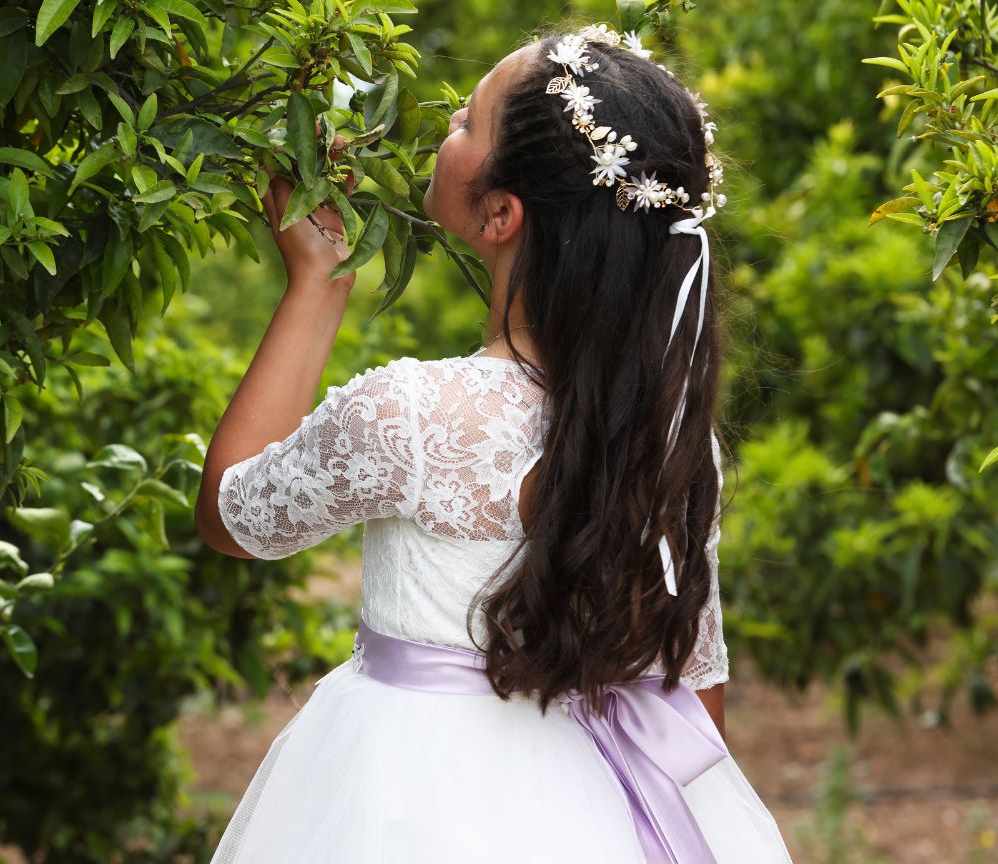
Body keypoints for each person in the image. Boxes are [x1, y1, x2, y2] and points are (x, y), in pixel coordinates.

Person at [195, 20, 795, 864]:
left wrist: (317, 285)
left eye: (465, 124)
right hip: (610, 815)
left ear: (501, 214)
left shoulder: (413, 415)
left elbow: (231, 514)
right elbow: (692, 694)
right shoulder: (668, 440)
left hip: (404, 805)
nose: (444, 128)